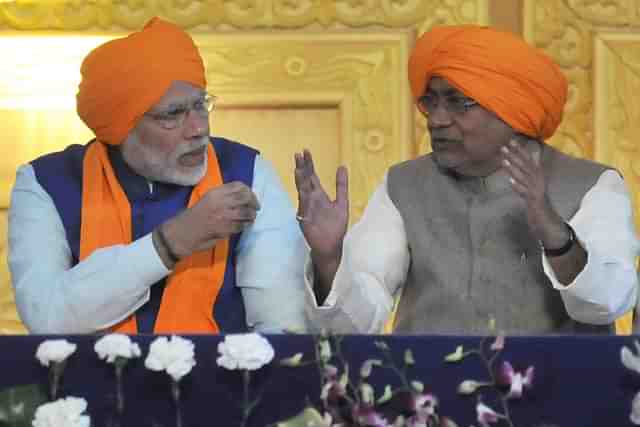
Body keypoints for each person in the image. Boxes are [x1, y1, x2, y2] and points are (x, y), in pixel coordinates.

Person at [295, 25, 640, 334]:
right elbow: (357, 321)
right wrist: (329, 258)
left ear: (512, 110)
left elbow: (608, 303)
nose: (436, 120)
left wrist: (553, 231)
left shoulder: (592, 185)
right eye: (431, 101)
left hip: (555, 396)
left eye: (458, 103)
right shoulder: (403, 185)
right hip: (424, 395)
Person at [8, 17, 307, 334]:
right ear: (122, 129)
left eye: (201, 105)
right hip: (88, 383)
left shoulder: (246, 170)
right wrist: (172, 241)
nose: (199, 129)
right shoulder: (46, 183)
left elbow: (283, 327)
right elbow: (47, 316)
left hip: (223, 381)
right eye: (173, 115)